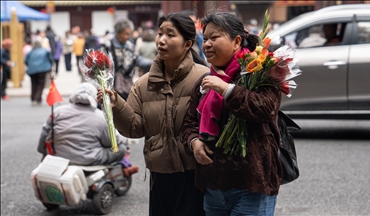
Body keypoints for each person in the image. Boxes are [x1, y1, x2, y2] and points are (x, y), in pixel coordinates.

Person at [97, 12, 209, 216]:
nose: (162, 40)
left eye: (170, 34)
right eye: (160, 33)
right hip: (160, 175)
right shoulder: (143, 84)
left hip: (195, 174)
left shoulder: (205, 79)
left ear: (187, 44)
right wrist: (116, 105)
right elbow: (134, 128)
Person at [181, 12, 282, 216]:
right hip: (214, 186)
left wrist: (227, 90)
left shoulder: (260, 71)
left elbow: (267, 109)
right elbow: (189, 122)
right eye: (205, 38)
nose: (207, 44)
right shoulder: (206, 80)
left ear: (236, 41)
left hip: (251, 185)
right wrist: (193, 142)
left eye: (214, 37)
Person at [37, 82, 132, 169]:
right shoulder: (100, 116)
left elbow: (44, 134)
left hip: (60, 158)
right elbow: (110, 141)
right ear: (95, 98)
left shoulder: (58, 112)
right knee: (121, 149)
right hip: (88, 160)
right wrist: (125, 140)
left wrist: (44, 153)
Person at [104, 18, 152, 100]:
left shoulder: (130, 46)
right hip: (110, 86)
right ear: (117, 33)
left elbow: (137, 59)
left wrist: (155, 62)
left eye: (129, 34)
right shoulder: (107, 45)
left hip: (126, 84)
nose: (128, 37)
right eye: (125, 34)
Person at [25, 40, 54, 106]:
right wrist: (50, 66)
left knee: (33, 84)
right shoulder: (45, 50)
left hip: (32, 70)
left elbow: (26, 60)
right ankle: (37, 99)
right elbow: (50, 59)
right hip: (42, 69)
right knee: (40, 84)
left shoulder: (30, 52)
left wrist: (30, 66)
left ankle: (33, 98)